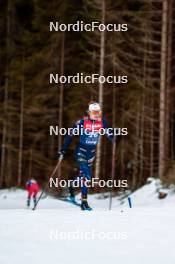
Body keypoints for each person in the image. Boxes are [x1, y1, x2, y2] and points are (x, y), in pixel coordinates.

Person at [58, 102, 114, 210]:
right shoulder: (82, 122)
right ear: (89, 112)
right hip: (81, 151)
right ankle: (84, 202)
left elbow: (109, 133)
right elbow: (69, 135)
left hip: (91, 154)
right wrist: (63, 149)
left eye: (98, 112)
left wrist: (113, 138)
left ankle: (71, 186)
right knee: (87, 176)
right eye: (94, 112)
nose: (97, 114)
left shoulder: (102, 122)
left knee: (84, 176)